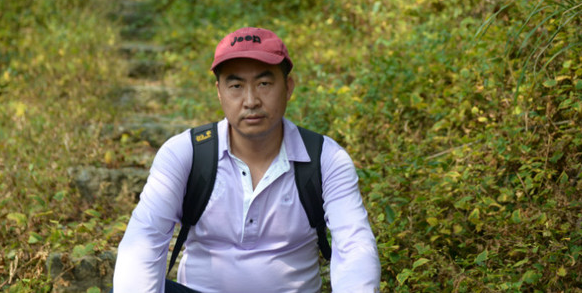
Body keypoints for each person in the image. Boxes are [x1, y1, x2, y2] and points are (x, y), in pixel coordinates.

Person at [112, 27, 381, 293]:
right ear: (219, 92)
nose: (251, 100)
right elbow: (144, 239)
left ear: (288, 87)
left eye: (264, 84)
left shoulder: (325, 158)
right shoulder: (186, 153)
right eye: (236, 86)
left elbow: (354, 245)